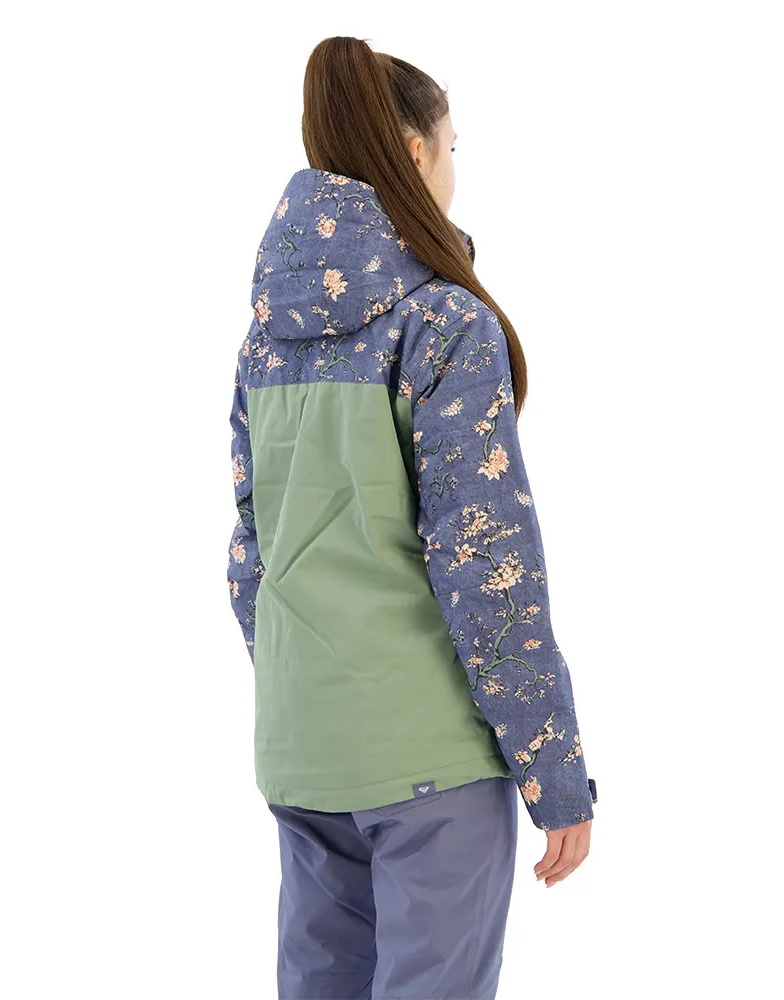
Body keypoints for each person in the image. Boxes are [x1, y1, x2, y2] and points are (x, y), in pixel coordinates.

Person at [227, 34, 598, 1000]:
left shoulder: (266, 337)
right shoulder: (443, 324)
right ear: (413, 149)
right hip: (431, 763)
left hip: (305, 748)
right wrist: (554, 769)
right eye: (452, 146)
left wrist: (314, 692)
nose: (453, 169)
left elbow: (249, 556)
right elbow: (488, 570)